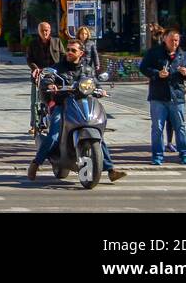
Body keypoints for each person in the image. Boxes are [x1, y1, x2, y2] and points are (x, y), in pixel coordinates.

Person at [27, 39, 127, 183]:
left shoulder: (87, 69)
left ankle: (110, 170)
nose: (69, 53)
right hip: (62, 104)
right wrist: (50, 84)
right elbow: (47, 78)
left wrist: (100, 90)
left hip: (82, 104)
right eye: (68, 50)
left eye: (73, 50)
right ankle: (36, 163)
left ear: (81, 53)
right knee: (54, 133)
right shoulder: (58, 68)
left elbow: (94, 83)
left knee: (99, 134)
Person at [139, 26, 186, 166]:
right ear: (165, 39)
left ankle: (185, 154)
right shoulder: (154, 52)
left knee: (180, 127)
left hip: (177, 96)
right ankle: (157, 155)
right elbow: (143, 67)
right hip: (158, 96)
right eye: (171, 40)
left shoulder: (183, 55)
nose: (174, 43)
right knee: (157, 128)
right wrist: (157, 74)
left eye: (176, 40)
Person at [26, 22, 65, 134]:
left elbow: (62, 56)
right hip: (39, 74)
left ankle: (57, 120)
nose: (45, 32)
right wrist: (35, 69)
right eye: (42, 30)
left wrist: (61, 69)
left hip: (55, 74)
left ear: (50, 30)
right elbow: (29, 59)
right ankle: (34, 124)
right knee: (35, 101)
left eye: (47, 29)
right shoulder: (33, 43)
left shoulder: (56, 42)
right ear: (39, 31)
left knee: (58, 97)